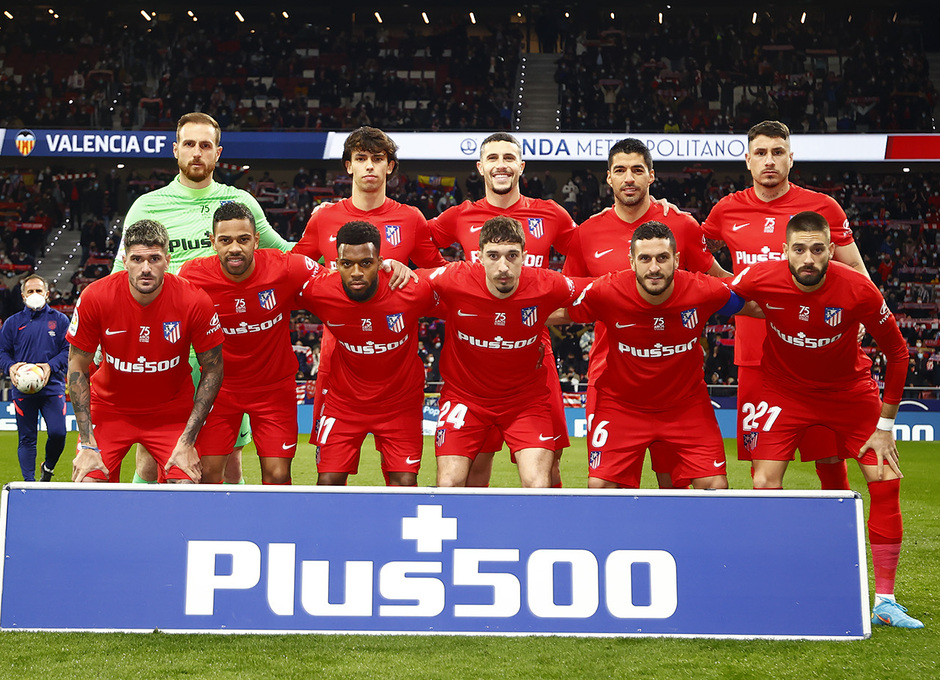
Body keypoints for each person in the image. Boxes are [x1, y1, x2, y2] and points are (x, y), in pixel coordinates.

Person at [731, 211, 922, 629]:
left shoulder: (859, 290)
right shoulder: (758, 277)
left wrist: (885, 427)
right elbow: (714, 299)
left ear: (831, 251)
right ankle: (774, 582)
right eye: (799, 249)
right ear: (785, 251)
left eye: (817, 249)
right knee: (763, 482)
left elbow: (899, 352)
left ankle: (885, 601)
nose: (808, 258)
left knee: (886, 479)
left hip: (849, 394)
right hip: (783, 392)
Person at [114, 111, 293, 485]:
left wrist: (328, 231)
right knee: (152, 457)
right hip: (164, 352)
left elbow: (285, 255)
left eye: (206, 145)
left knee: (228, 462)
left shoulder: (239, 203)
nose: (197, 152)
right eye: (190, 144)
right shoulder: (147, 206)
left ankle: (230, 532)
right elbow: (119, 278)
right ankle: (147, 536)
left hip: (221, 354)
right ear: (176, 149)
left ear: (218, 153)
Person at [702, 120, 869, 490]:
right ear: (747, 160)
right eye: (760, 153)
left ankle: (834, 539)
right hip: (755, 355)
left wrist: (862, 317)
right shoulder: (727, 210)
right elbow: (697, 251)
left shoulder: (821, 207)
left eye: (778, 152)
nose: (769, 160)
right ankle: (766, 543)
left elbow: (855, 268)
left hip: (814, 353)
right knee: (761, 462)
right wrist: (728, 282)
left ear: (791, 158)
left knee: (828, 457)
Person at [564, 138, 730, 488]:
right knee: (609, 489)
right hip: (610, 380)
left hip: (676, 384)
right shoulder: (586, 233)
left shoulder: (682, 226)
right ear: (608, 178)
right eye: (620, 170)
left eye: (638, 170)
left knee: (675, 486)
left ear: (651, 176)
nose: (629, 178)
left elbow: (722, 285)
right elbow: (565, 298)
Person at [428, 132, 578, 487]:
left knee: (549, 465)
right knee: (476, 462)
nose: (501, 165)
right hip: (474, 353)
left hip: (531, 351)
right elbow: (413, 245)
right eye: (493, 158)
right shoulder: (458, 216)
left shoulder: (550, 213)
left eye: (509, 158)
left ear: (521, 167)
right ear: (480, 167)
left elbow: (590, 254)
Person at [293, 126, 446, 460]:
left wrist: (413, 273)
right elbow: (294, 270)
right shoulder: (324, 218)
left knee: (403, 477)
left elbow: (441, 276)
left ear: (390, 166)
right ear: (348, 165)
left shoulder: (410, 218)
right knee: (329, 475)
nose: (370, 167)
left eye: (378, 159)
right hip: (338, 359)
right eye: (361, 159)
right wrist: (327, 275)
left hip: (395, 360)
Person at [563, 222, 751, 488]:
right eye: (645, 258)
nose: (654, 268)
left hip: (685, 406)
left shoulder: (704, 289)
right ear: (631, 261)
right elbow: (555, 312)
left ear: (676, 260)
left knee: (715, 487)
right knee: (600, 490)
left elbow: (754, 306)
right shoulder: (606, 290)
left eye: (662, 258)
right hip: (622, 406)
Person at [179, 202, 329, 485]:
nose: (234, 248)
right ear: (212, 242)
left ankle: (275, 531)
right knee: (208, 474)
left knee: (278, 475)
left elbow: (339, 282)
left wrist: (388, 267)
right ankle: (216, 530)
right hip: (219, 391)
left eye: (243, 239)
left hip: (274, 390)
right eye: (225, 240)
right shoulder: (192, 275)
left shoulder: (286, 267)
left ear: (256, 240)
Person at [67, 220, 224, 483]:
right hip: (110, 409)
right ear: (125, 260)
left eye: (154, 258)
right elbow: (76, 368)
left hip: (170, 411)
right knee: (88, 481)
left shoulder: (194, 300)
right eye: (137, 259)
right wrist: (87, 444)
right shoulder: (96, 296)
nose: (146, 268)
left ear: (168, 260)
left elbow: (214, 369)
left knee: (186, 481)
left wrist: (187, 441)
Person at [298, 221, 437, 486]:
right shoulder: (320, 291)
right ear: (336, 263)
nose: (356, 272)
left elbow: (457, 302)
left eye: (366, 263)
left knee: (405, 483)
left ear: (381, 261)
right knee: (327, 482)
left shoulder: (411, 289)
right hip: (344, 402)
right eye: (347, 264)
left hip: (400, 402)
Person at [0, 274, 70, 481]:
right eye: (30, 291)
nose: (35, 294)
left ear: (47, 294)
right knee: (27, 438)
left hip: (53, 387)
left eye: (39, 290)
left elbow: (68, 351)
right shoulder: (13, 323)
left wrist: (50, 366)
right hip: (22, 389)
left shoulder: (60, 320)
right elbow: (3, 352)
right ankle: (30, 483)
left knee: (58, 433)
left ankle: (47, 468)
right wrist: (10, 367)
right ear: (23, 296)